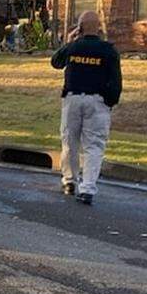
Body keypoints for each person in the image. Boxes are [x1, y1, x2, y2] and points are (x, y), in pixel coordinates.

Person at [50, 11, 122, 206]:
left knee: (69, 142)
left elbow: (56, 62)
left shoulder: (73, 47)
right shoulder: (108, 50)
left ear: (80, 27)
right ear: (98, 27)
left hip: (73, 99)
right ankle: (87, 189)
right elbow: (116, 81)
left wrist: (69, 41)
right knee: (94, 146)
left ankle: (69, 181)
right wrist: (109, 102)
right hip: (97, 102)